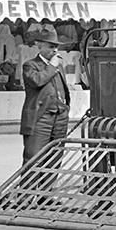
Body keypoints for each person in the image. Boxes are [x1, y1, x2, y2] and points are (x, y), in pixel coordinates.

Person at [20, 24, 71, 164]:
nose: (54, 50)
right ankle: (28, 186)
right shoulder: (30, 65)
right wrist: (52, 66)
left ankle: (47, 186)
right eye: (50, 46)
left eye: (56, 47)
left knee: (55, 158)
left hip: (60, 116)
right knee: (34, 157)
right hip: (40, 117)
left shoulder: (58, 66)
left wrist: (65, 109)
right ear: (39, 46)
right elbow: (37, 81)